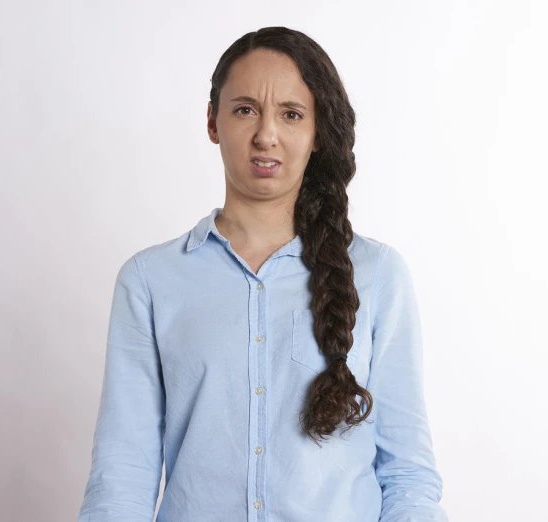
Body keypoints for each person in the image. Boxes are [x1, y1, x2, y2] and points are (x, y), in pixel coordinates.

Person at [77, 26, 448, 522]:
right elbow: (123, 475)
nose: (265, 134)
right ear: (213, 121)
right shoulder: (149, 281)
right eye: (245, 109)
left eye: (291, 114)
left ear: (317, 133)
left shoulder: (378, 275)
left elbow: (407, 476)